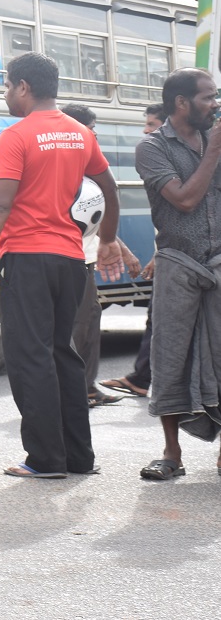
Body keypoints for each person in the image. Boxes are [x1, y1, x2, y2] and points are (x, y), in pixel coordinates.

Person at [0, 52, 124, 480]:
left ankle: (45, 460)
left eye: (5, 87)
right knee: (63, 355)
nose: (4, 95)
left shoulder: (15, 135)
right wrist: (106, 239)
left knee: (29, 358)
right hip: (71, 259)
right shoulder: (79, 133)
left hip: (28, 258)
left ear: (22, 87)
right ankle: (79, 458)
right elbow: (108, 188)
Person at [133, 68, 221, 481]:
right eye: (207, 98)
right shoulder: (152, 148)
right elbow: (184, 201)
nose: (215, 104)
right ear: (181, 103)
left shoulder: (211, 139)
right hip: (178, 263)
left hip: (218, 262)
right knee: (171, 358)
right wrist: (213, 153)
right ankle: (172, 454)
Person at [60, 104, 141, 408]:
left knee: (90, 320)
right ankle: (75, 392)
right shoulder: (68, 165)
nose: (95, 133)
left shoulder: (86, 163)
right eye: (91, 127)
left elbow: (92, 218)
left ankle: (87, 388)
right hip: (71, 258)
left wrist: (118, 246)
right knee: (77, 325)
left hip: (86, 256)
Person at [100, 105, 166, 399]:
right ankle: (142, 377)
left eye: (152, 124)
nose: (145, 130)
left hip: (184, 259)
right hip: (172, 255)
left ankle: (145, 378)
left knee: (161, 318)